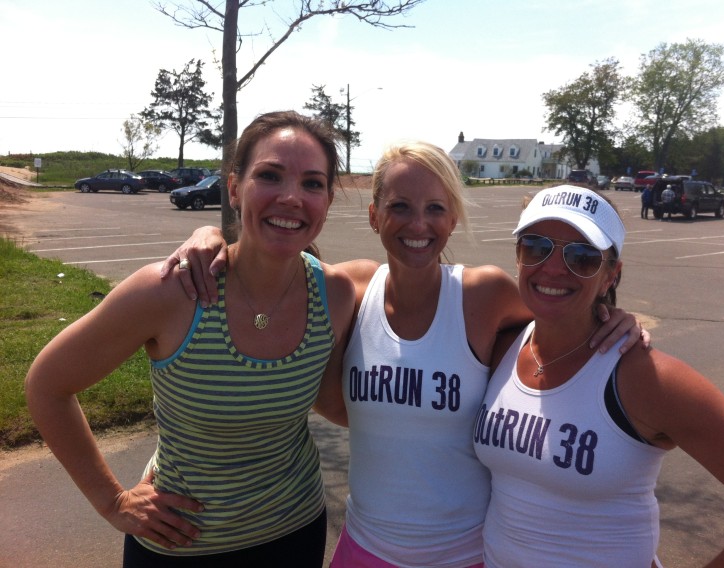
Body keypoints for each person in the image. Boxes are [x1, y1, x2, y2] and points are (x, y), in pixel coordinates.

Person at [163, 143, 647, 567]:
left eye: (435, 208)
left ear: (452, 219)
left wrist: (615, 314)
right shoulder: (348, 287)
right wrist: (208, 238)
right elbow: (267, 270)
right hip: (367, 547)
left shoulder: (485, 295)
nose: (419, 224)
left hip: (468, 554)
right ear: (374, 215)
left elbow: (564, 311)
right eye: (400, 206)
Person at [24, 110, 356, 567]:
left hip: (295, 531)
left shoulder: (334, 295)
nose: (292, 196)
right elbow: (47, 385)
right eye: (270, 175)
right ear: (235, 187)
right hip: (179, 545)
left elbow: (335, 399)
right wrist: (112, 502)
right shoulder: (171, 291)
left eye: (313, 183)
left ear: (328, 200)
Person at [474, 185, 724, 567]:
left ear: (611, 275)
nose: (555, 268)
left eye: (583, 256)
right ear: (518, 257)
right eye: (537, 246)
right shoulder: (500, 347)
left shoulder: (644, 377)